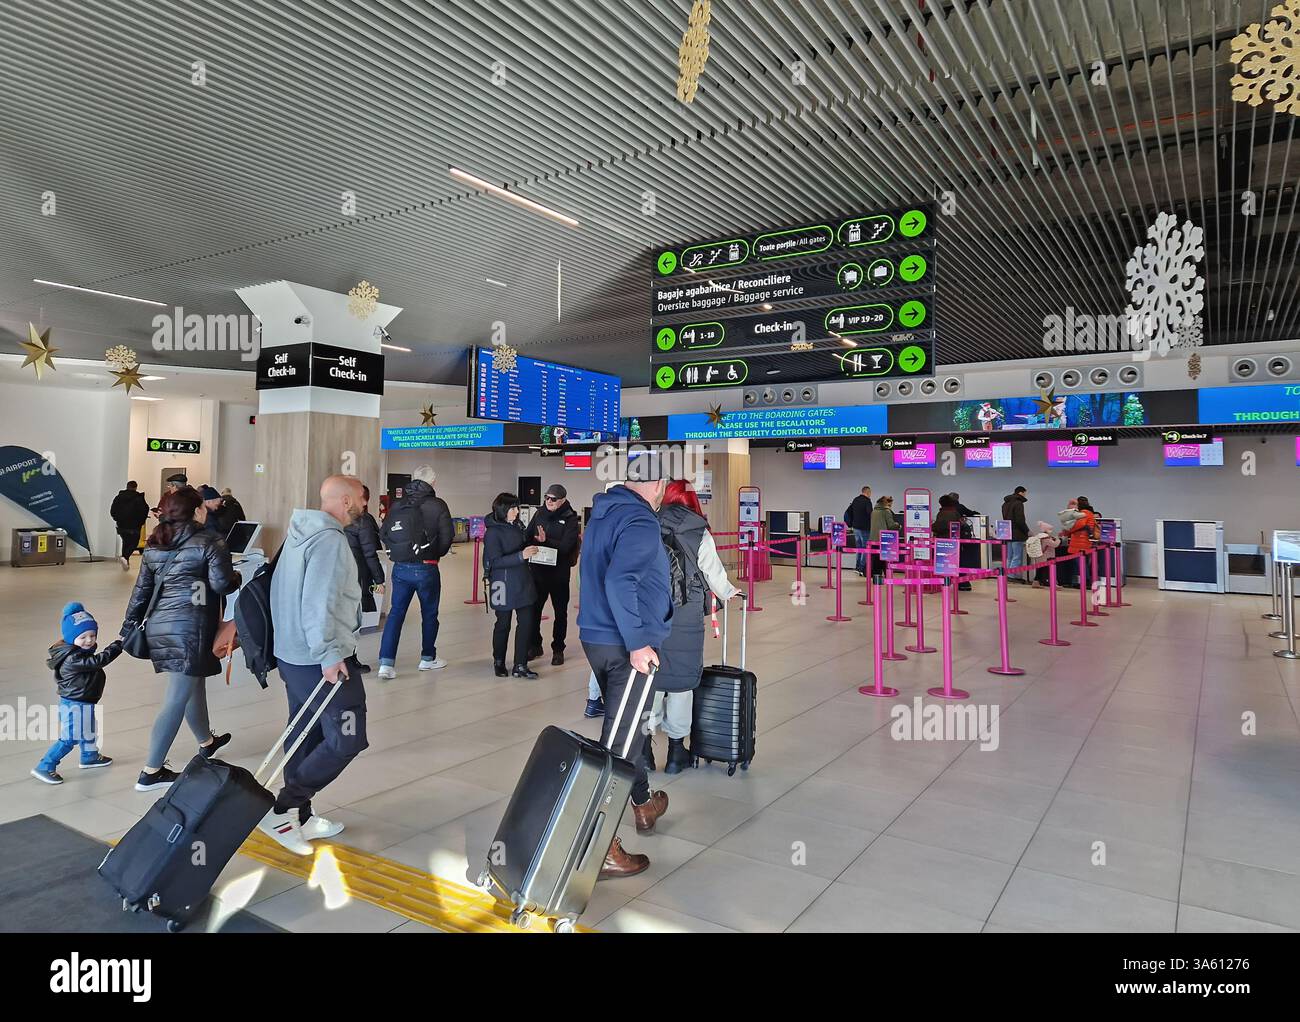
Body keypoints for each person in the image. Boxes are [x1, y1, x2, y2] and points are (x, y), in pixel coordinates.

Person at [260, 475, 369, 855]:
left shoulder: (298, 533)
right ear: (343, 499)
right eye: (359, 498)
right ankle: (284, 809)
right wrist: (329, 654)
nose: (364, 506)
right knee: (347, 737)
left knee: (304, 732)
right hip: (318, 656)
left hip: (292, 654)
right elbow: (318, 601)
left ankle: (299, 817)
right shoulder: (329, 540)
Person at [578, 470, 673, 879]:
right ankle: (598, 847)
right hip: (625, 647)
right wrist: (638, 642)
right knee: (618, 745)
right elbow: (620, 580)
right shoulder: (640, 520)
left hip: (597, 637)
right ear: (655, 486)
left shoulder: (602, 514)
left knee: (628, 729)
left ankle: (644, 803)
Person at [121, 486, 240, 791]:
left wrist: (128, 626)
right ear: (195, 510)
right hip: (191, 628)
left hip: (161, 627)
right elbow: (222, 584)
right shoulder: (209, 540)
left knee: (192, 683)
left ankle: (207, 741)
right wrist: (236, 575)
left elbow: (141, 591)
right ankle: (151, 771)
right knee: (177, 696)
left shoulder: (156, 542)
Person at [647, 480, 739, 775]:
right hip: (685, 614)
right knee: (682, 684)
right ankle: (676, 753)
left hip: (650, 613)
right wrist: (729, 592)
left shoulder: (648, 522)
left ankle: (644, 751)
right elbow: (713, 573)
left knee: (650, 680)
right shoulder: (699, 530)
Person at [31, 603, 122, 784]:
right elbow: (98, 661)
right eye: (83, 637)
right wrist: (118, 645)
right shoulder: (73, 658)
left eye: (92, 635)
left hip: (84, 701)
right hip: (75, 704)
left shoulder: (77, 651)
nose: (89, 640)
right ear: (71, 638)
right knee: (70, 737)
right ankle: (45, 766)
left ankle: (89, 756)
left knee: (89, 729)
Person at [377, 465, 453, 679]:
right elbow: (446, 539)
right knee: (429, 614)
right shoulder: (438, 505)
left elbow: (385, 532)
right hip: (427, 567)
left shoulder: (399, 504)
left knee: (396, 613)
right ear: (433, 482)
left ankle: (386, 663)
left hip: (400, 568)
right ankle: (427, 659)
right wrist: (433, 553)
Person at [483, 493, 541, 679]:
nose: (517, 512)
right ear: (503, 510)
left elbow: (522, 546)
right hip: (502, 584)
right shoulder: (492, 533)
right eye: (513, 508)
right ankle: (498, 661)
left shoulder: (517, 526)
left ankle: (521, 664)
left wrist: (535, 542)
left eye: (517, 508)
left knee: (526, 624)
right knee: (503, 624)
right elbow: (495, 561)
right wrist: (520, 556)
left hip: (523, 582)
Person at [526, 483, 581, 666]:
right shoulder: (539, 513)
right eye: (547, 498)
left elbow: (566, 547)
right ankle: (535, 645)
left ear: (562, 500)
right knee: (534, 611)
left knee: (560, 613)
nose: (549, 501)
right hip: (538, 572)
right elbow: (527, 535)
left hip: (558, 574)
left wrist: (546, 540)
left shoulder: (571, 519)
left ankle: (558, 649)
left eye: (553, 499)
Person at [345, 485, 385, 674]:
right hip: (357, 576)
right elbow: (370, 553)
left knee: (344, 620)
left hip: (341, 575)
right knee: (353, 622)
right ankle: (350, 660)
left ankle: (345, 658)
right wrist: (379, 580)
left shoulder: (339, 518)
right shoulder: (363, 521)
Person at [109, 481, 150, 571]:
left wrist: (117, 519)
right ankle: (125, 557)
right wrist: (141, 521)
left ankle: (125, 561)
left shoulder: (118, 497)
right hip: (135, 525)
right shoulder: (139, 498)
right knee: (134, 543)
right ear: (135, 487)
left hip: (121, 525)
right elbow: (144, 510)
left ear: (127, 487)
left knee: (126, 542)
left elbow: (113, 511)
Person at [1061, 497, 1098, 588]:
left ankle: (1086, 582)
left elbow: (1078, 524)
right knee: (1082, 563)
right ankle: (1086, 581)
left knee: (1080, 563)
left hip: (1080, 541)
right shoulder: (1089, 513)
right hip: (1084, 541)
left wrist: (1068, 529)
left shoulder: (1083, 513)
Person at [1000, 486, 1030, 584]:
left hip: (1007, 532)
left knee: (1009, 556)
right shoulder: (1018, 503)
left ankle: (1008, 574)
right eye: (1025, 493)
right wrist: (1027, 531)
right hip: (1017, 534)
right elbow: (1020, 520)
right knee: (1017, 556)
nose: (1025, 495)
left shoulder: (1005, 504)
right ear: (1021, 493)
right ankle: (1012, 575)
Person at [844, 486, 873, 575]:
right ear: (868, 492)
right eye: (870, 493)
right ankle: (862, 568)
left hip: (855, 527)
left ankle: (857, 567)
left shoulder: (855, 500)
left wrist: (851, 524)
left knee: (859, 547)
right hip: (865, 528)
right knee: (865, 548)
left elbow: (848, 512)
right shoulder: (867, 501)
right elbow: (870, 514)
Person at [867, 494, 899, 577]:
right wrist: (899, 526)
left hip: (873, 539)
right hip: (884, 539)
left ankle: (876, 577)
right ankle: (887, 577)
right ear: (887, 503)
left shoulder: (874, 511)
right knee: (885, 560)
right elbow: (891, 526)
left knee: (876, 560)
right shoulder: (886, 511)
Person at [1027, 521, 1059, 588]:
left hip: (1039, 556)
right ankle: (1051, 583)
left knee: (1040, 570)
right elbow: (1055, 544)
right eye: (1050, 529)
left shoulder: (1039, 536)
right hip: (1046, 557)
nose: (1051, 531)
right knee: (1047, 571)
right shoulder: (1046, 538)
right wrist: (1059, 539)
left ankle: (1036, 582)